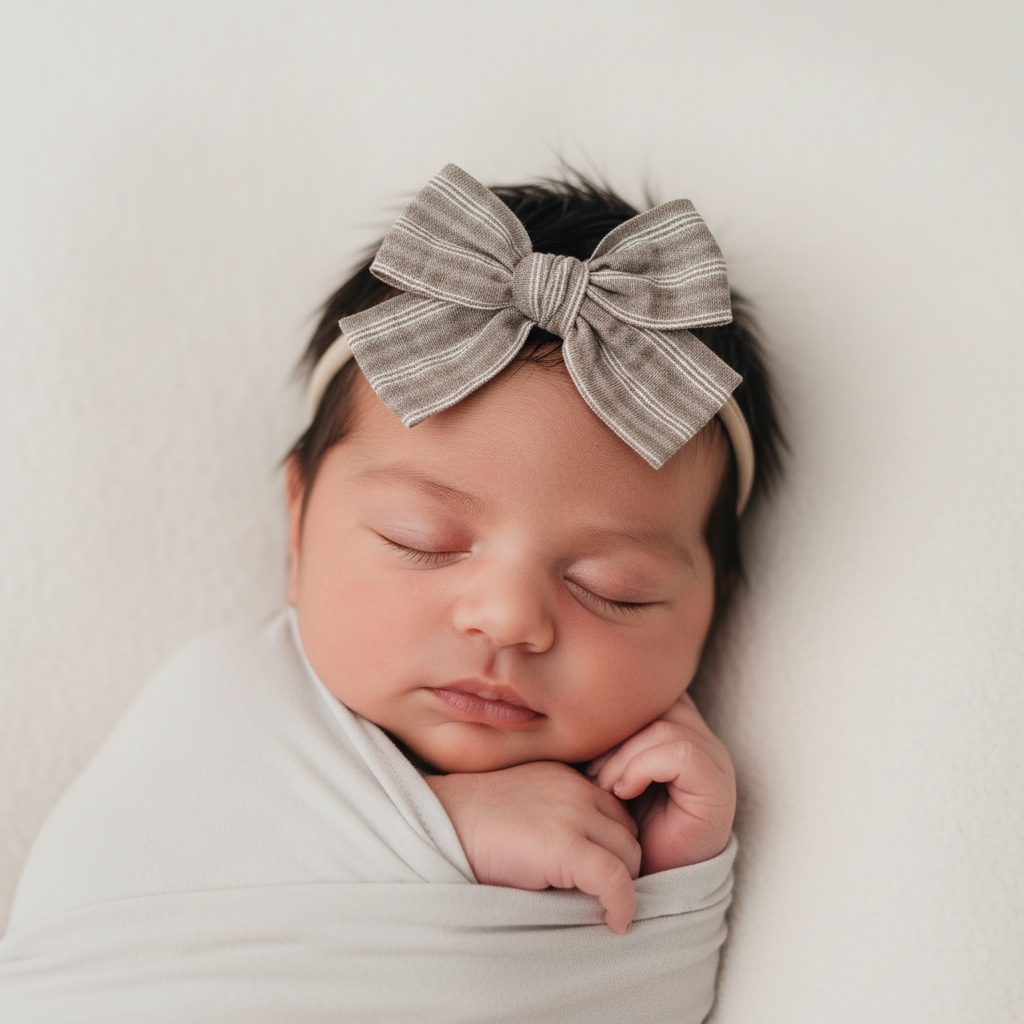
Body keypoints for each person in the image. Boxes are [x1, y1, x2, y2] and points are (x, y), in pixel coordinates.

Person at [0, 164, 783, 1023]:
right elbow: (106, 942)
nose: (509, 617)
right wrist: (445, 831)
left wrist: (673, 878)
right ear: (297, 529)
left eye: (614, 589)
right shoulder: (220, 703)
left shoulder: (667, 813)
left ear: (719, 613)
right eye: (423, 542)